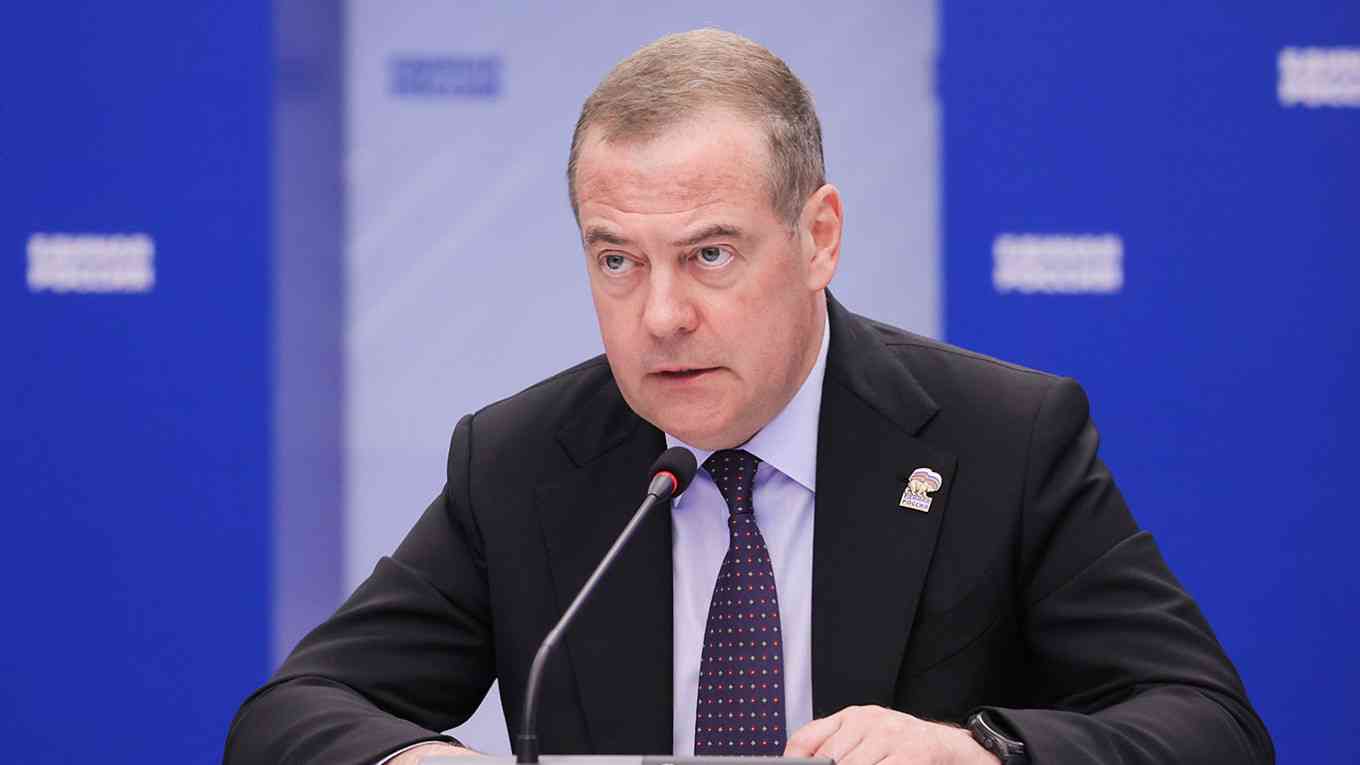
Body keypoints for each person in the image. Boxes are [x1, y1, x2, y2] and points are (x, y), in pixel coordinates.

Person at [225, 29, 1272, 765]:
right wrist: (416, 761)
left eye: (709, 255)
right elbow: (292, 714)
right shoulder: (521, 461)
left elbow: (1210, 725)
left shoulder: (1002, 439)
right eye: (617, 260)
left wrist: (981, 751)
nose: (660, 315)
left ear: (818, 238)